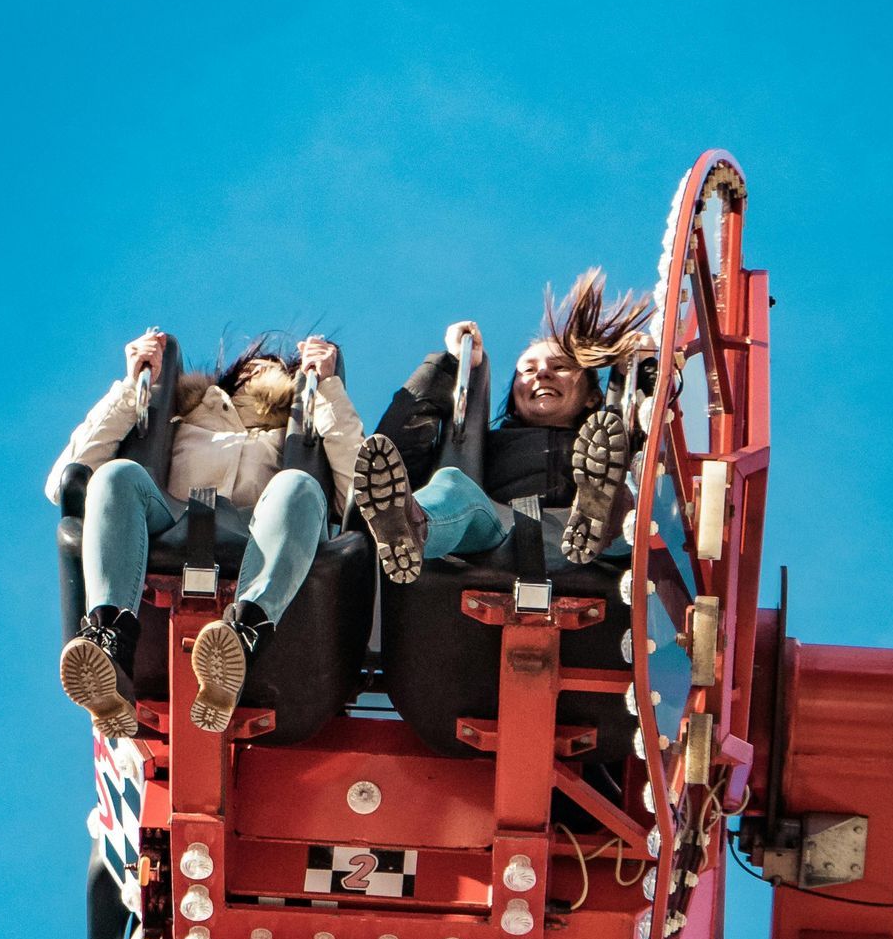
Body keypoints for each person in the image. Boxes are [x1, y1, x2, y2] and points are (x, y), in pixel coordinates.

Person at [49, 331, 363, 737]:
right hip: (170, 520)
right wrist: (135, 386)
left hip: (261, 535)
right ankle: (109, 638)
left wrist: (327, 390)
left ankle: (242, 637)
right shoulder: (181, 420)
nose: (260, 377)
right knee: (116, 475)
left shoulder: (299, 437)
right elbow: (64, 480)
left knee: (299, 485)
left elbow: (364, 490)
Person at [351, 271, 652, 585]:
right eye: (529, 370)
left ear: (593, 396)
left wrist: (644, 367)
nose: (543, 375)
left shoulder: (608, 445)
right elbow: (397, 446)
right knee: (453, 483)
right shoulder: (489, 446)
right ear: (515, 396)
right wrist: (452, 363)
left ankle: (601, 512)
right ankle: (413, 526)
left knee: (630, 478)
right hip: (497, 533)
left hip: (603, 546)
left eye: (560, 367)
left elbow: (659, 449)